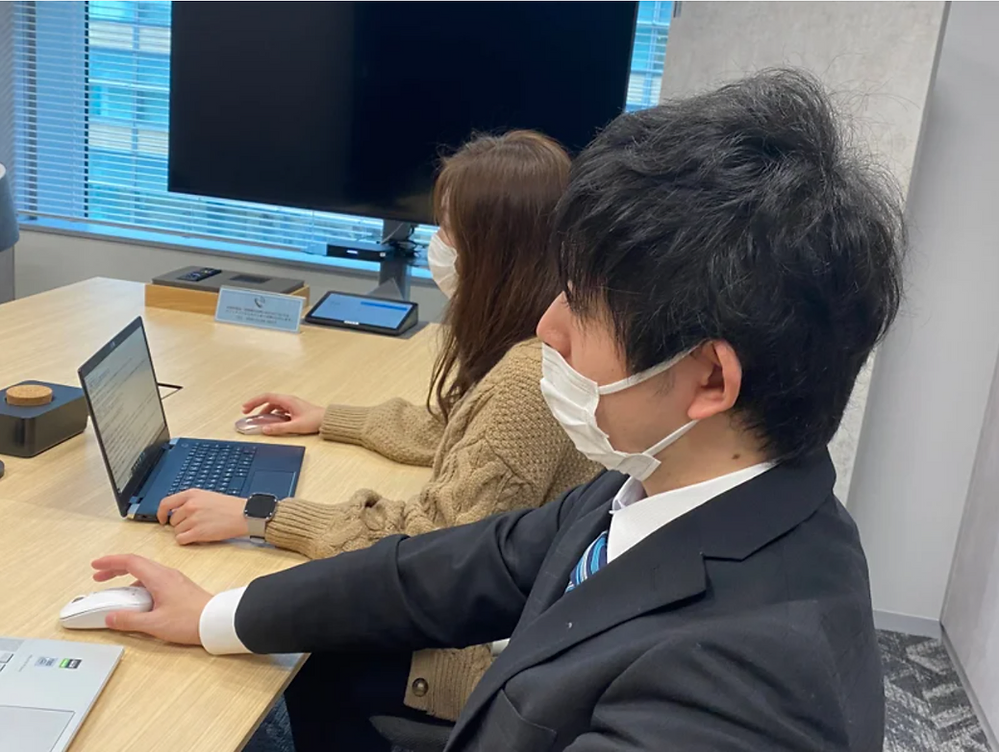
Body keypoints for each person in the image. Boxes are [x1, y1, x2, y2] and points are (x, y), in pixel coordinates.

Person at [91, 69, 905, 751]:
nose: (546, 326)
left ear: (709, 381)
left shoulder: (738, 692)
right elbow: (446, 571)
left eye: (582, 307)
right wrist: (217, 614)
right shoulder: (659, 485)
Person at [152, 129, 600, 723]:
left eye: (449, 231)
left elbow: (429, 550)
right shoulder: (544, 343)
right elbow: (465, 438)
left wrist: (261, 515)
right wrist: (332, 419)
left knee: (302, 654)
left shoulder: (527, 380)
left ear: (496, 250)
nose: (439, 246)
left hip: (474, 664)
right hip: (520, 625)